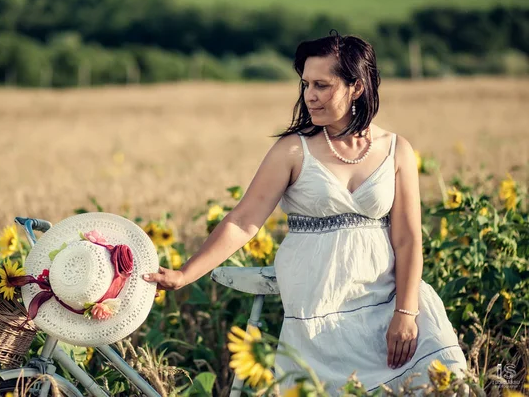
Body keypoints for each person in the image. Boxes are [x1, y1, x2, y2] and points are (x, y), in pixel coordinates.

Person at [143, 32, 467, 393]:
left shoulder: (396, 149)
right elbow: (243, 221)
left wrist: (405, 314)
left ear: (356, 87)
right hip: (320, 315)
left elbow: (407, 239)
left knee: (447, 381)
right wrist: (185, 274)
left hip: (389, 305)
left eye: (322, 85)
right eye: (305, 84)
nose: (310, 95)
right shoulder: (293, 151)